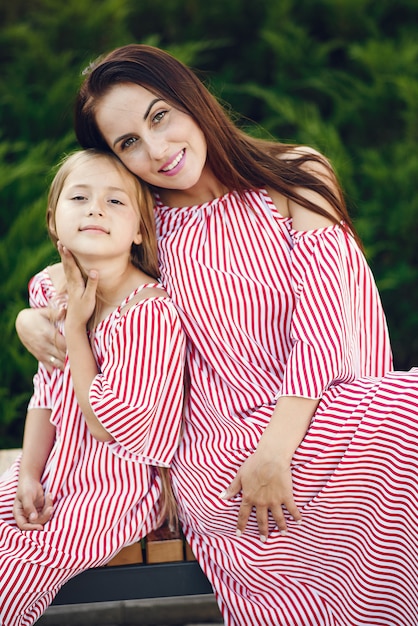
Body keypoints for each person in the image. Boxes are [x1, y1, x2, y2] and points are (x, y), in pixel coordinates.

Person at [15, 45, 418, 625]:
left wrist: (275, 453)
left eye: (160, 116)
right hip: (219, 452)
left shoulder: (296, 178)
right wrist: (30, 320)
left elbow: (323, 321)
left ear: (192, 100)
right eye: (128, 143)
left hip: (319, 415)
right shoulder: (147, 226)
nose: (155, 150)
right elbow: (64, 271)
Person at [1, 148, 185, 625]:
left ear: (141, 230)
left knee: (19, 564)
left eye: (115, 202)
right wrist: (27, 474)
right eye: (79, 197)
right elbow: (48, 393)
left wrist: (78, 331)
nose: (95, 209)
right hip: (54, 466)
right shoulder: (51, 288)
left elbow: (108, 426)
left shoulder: (148, 313)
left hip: (118, 487)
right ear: (53, 219)